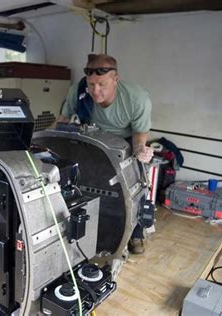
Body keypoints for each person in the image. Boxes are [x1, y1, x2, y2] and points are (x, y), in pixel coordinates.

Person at [57, 54, 153, 254]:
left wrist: (140, 151)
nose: (95, 91)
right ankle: (88, 227)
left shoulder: (137, 97)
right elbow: (62, 122)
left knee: (136, 185)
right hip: (92, 140)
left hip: (125, 143)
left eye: (101, 84)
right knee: (84, 182)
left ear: (115, 79)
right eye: (91, 85)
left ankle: (136, 233)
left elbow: (139, 134)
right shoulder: (79, 91)